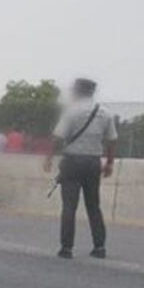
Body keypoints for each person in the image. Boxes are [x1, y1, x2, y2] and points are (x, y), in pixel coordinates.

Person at [43, 78, 117, 259]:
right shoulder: (105, 113)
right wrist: (109, 163)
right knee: (94, 206)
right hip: (93, 162)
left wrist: (49, 158)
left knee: (69, 206)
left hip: (72, 161)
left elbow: (58, 137)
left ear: (78, 91)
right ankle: (99, 246)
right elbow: (112, 140)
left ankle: (66, 247)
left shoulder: (71, 111)